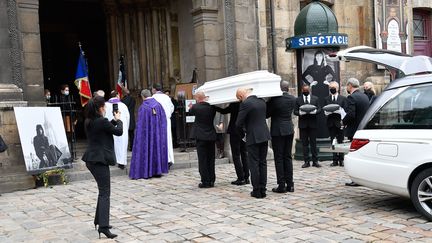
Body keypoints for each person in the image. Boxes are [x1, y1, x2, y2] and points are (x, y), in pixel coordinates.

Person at [82, 96, 122, 239]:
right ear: (100, 108)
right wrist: (119, 120)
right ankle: (103, 227)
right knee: (105, 193)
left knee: (102, 191)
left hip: (91, 159)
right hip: (99, 160)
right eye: (104, 107)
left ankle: (99, 221)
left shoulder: (90, 121)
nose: (105, 109)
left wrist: (113, 121)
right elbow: (118, 131)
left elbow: (104, 127)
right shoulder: (101, 121)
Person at [236, 88, 271, 199]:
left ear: (241, 96)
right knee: (263, 163)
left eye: (239, 99)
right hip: (264, 135)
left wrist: (243, 136)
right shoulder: (262, 101)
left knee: (254, 163)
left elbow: (238, 124)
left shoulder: (246, 103)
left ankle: (256, 190)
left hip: (253, 137)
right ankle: (263, 189)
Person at [129, 89, 168, 179]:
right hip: (157, 134)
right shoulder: (158, 105)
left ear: (142, 96)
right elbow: (163, 121)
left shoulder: (143, 107)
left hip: (146, 135)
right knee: (156, 148)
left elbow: (140, 125)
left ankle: (146, 171)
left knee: (147, 149)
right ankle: (157, 170)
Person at [266, 80, 296, 193]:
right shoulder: (293, 99)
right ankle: (290, 184)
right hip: (289, 129)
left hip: (278, 131)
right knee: (288, 157)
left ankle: (282, 185)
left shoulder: (275, 100)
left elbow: (266, 114)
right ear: (288, 88)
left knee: (279, 158)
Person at [343, 78, 369, 187]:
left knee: (354, 156)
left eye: (346, 86)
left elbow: (351, 114)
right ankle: (363, 177)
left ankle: (356, 179)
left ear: (350, 85)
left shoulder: (352, 97)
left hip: (354, 130)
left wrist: (342, 121)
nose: (346, 88)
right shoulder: (364, 96)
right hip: (364, 129)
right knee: (363, 155)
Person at [189, 91, 217, 188]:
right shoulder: (212, 107)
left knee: (203, 159)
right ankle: (212, 180)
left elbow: (190, 111)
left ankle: (205, 181)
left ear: (197, 98)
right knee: (211, 158)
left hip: (200, 136)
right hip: (211, 135)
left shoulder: (196, 107)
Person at [218, 102, 249, 186]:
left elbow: (224, 111)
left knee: (236, 155)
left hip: (235, 131)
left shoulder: (234, 104)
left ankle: (241, 178)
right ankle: (246, 177)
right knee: (244, 154)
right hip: (244, 131)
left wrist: (214, 107)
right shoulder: (246, 103)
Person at [294, 84, 322, 168]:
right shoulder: (298, 99)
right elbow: (295, 111)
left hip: (313, 124)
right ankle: (306, 161)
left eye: (307, 90)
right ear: (302, 90)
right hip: (303, 124)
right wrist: (300, 113)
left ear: (309, 90)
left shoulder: (315, 98)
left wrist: (315, 112)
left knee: (313, 143)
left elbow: (319, 109)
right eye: (304, 90)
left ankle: (315, 161)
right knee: (304, 144)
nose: (306, 91)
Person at [324, 81, 347, 167]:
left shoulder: (343, 98)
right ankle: (334, 160)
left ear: (337, 88)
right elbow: (325, 111)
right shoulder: (326, 99)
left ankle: (341, 160)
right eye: (330, 88)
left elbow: (345, 111)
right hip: (331, 123)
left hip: (340, 123)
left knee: (341, 142)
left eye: (333, 88)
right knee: (333, 142)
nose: (332, 90)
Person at [105, 91, 130, 170]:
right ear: (117, 95)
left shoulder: (105, 105)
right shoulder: (123, 105)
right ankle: (121, 162)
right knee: (122, 145)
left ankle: (112, 160)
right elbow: (127, 117)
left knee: (112, 144)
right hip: (122, 128)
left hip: (110, 127)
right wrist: (126, 127)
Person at [152, 83, 175, 167]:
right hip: (167, 120)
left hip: (157, 121)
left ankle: (161, 160)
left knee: (159, 139)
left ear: (154, 89)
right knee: (168, 139)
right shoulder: (167, 97)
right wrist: (168, 114)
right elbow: (172, 108)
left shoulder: (153, 98)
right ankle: (169, 159)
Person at [121, 85, 136, 151]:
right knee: (131, 134)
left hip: (125, 118)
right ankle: (132, 147)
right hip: (131, 118)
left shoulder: (122, 100)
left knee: (124, 134)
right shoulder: (133, 99)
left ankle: (125, 147)